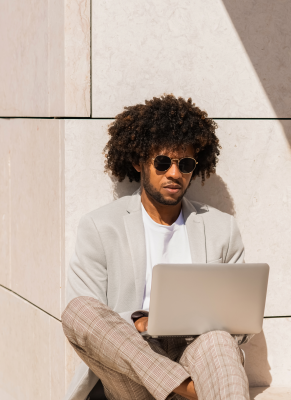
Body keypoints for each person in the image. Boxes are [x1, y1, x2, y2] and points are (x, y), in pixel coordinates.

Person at [62, 94, 250, 400]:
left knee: (218, 340)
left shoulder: (221, 229)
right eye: (163, 162)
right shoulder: (100, 226)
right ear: (138, 162)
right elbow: (91, 322)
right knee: (78, 310)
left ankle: (187, 387)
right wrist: (138, 320)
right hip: (133, 364)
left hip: (197, 352)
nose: (175, 173)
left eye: (185, 164)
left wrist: (207, 323)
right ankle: (185, 390)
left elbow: (242, 324)